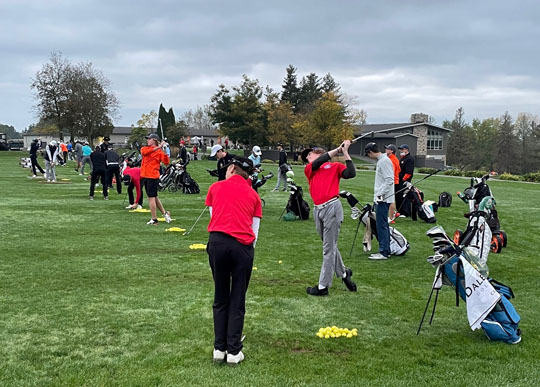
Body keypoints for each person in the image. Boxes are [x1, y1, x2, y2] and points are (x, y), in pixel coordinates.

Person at [205, 155, 262, 364]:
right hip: (242, 247)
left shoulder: (216, 188)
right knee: (237, 298)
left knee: (220, 296)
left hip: (218, 243)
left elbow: (214, 215)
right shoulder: (253, 195)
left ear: (231, 169)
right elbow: (255, 230)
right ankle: (234, 350)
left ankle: (219, 349)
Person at [301, 140, 357, 296]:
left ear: (319, 152)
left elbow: (351, 173)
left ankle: (322, 286)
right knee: (330, 246)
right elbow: (320, 161)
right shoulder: (310, 169)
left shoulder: (335, 167)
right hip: (317, 210)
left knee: (328, 248)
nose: (308, 157)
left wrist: (345, 152)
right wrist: (338, 149)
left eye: (310, 154)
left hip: (332, 207)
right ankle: (345, 274)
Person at [364, 142, 394, 260]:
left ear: (370, 152)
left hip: (383, 199)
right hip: (382, 198)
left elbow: (389, 180)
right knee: (382, 224)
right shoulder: (382, 160)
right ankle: (386, 250)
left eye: (368, 154)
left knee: (381, 225)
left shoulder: (384, 161)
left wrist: (379, 194)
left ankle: (384, 252)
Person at [141, 133, 171, 225]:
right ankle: (165, 213)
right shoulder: (145, 149)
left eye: (149, 139)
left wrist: (164, 150)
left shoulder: (159, 152)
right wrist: (159, 147)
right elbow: (144, 152)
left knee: (151, 198)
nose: (147, 140)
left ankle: (154, 219)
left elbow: (166, 162)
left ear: (154, 140)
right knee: (154, 197)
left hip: (152, 176)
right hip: (146, 176)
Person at [397, 144, 415, 217]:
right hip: (400, 180)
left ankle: (406, 212)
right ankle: (400, 211)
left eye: (402, 149)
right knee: (400, 196)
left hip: (405, 181)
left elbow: (409, 172)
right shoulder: (402, 158)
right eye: (400, 150)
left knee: (405, 196)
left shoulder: (409, 159)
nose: (401, 151)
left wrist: (404, 180)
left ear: (406, 150)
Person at [385, 144, 401, 222]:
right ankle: (394, 213)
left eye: (387, 149)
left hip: (392, 182)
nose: (386, 150)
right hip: (395, 181)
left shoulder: (392, 160)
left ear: (392, 151)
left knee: (390, 200)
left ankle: (391, 218)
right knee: (391, 199)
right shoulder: (394, 158)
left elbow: (391, 172)